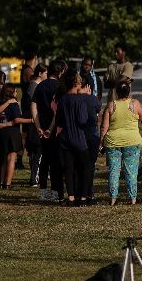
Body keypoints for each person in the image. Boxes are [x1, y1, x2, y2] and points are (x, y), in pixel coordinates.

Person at [100, 78, 142, 205]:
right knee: (131, 171)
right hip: (132, 141)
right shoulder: (135, 103)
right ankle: (132, 198)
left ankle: (113, 198)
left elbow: (104, 127)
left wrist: (101, 143)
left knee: (113, 171)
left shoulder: (111, 105)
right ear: (128, 91)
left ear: (116, 92)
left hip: (113, 142)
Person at [52, 72, 92, 205]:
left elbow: (59, 121)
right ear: (76, 84)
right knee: (86, 167)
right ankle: (84, 197)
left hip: (65, 138)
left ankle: (71, 197)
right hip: (78, 138)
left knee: (69, 168)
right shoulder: (80, 100)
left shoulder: (62, 99)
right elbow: (82, 120)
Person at [32, 59, 67, 201]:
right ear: (60, 72)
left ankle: (43, 191)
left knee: (44, 159)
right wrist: (50, 129)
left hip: (42, 127)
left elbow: (33, 105)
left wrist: (38, 126)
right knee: (56, 161)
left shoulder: (40, 86)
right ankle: (55, 191)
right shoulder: (59, 87)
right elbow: (57, 110)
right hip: (54, 128)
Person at [0, 83, 31, 189]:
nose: (16, 92)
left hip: (2, 133)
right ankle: (8, 183)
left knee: (4, 159)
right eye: (15, 90)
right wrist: (31, 120)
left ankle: (1, 182)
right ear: (11, 92)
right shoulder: (13, 103)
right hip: (12, 133)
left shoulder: (0, 102)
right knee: (11, 158)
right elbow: (17, 120)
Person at [77, 72, 102, 203]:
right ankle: (89, 193)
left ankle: (78, 192)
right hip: (92, 136)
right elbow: (98, 110)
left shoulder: (74, 98)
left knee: (78, 166)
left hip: (78, 137)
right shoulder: (92, 99)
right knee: (90, 166)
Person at [21, 63, 46, 186]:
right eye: (46, 73)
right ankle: (34, 178)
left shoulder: (35, 86)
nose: (47, 75)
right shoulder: (33, 87)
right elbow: (32, 107)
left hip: (33, 123)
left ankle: (34, 176)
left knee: (35, 152)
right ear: (40, 74)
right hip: (33, 123)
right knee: (36, 152)